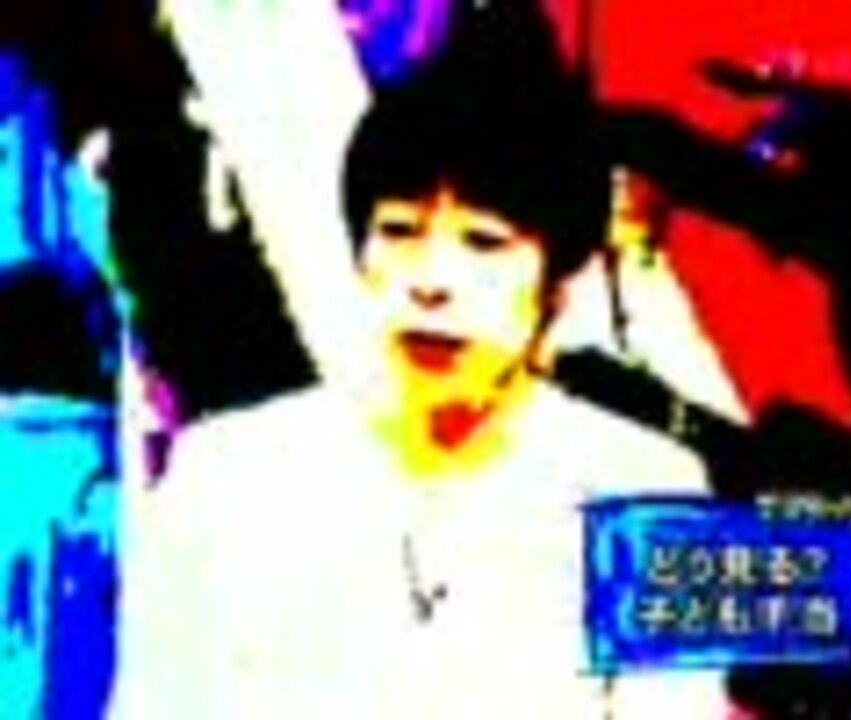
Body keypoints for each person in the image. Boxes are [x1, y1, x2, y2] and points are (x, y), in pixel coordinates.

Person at [111, 2, 728, 717]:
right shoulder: (227, 477)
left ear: (559, 284)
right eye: (399, 231)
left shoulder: (648, 491)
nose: (431, 282)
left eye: (484, 242)